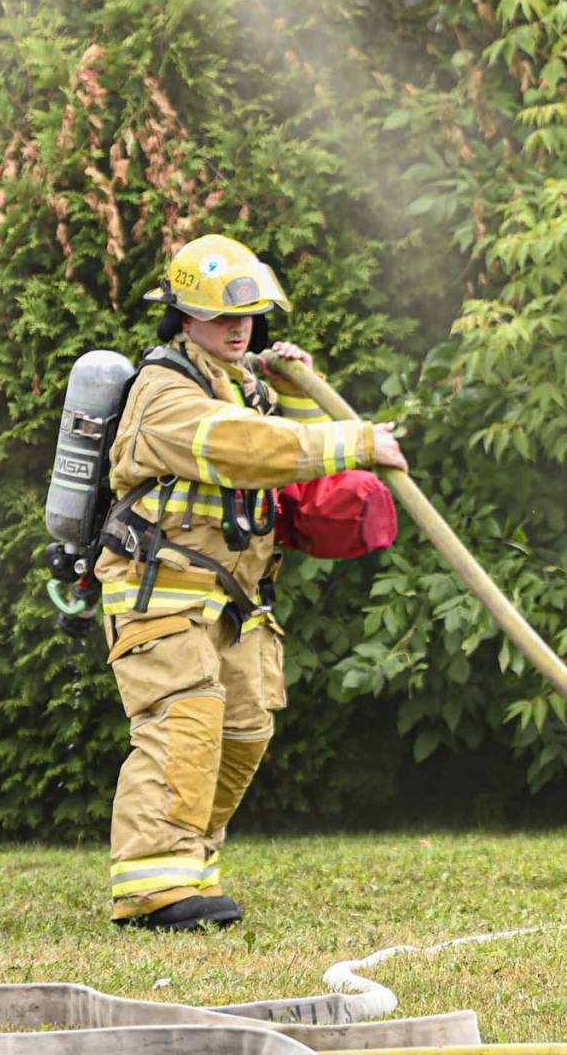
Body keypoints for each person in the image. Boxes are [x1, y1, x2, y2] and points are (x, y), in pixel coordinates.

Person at [97, 233, 406, 930]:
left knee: (243, 730)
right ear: (182, 319)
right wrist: (355, 438)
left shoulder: (246, 389)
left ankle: (189, 867)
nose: (239, 329)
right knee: (184, 725)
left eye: (250, 318)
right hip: (161, 591)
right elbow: (243, 449)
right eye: (221, 317)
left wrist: (300, 389)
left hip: (233, 600)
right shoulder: (164, 394)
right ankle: (151, 888)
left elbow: (290, 462)